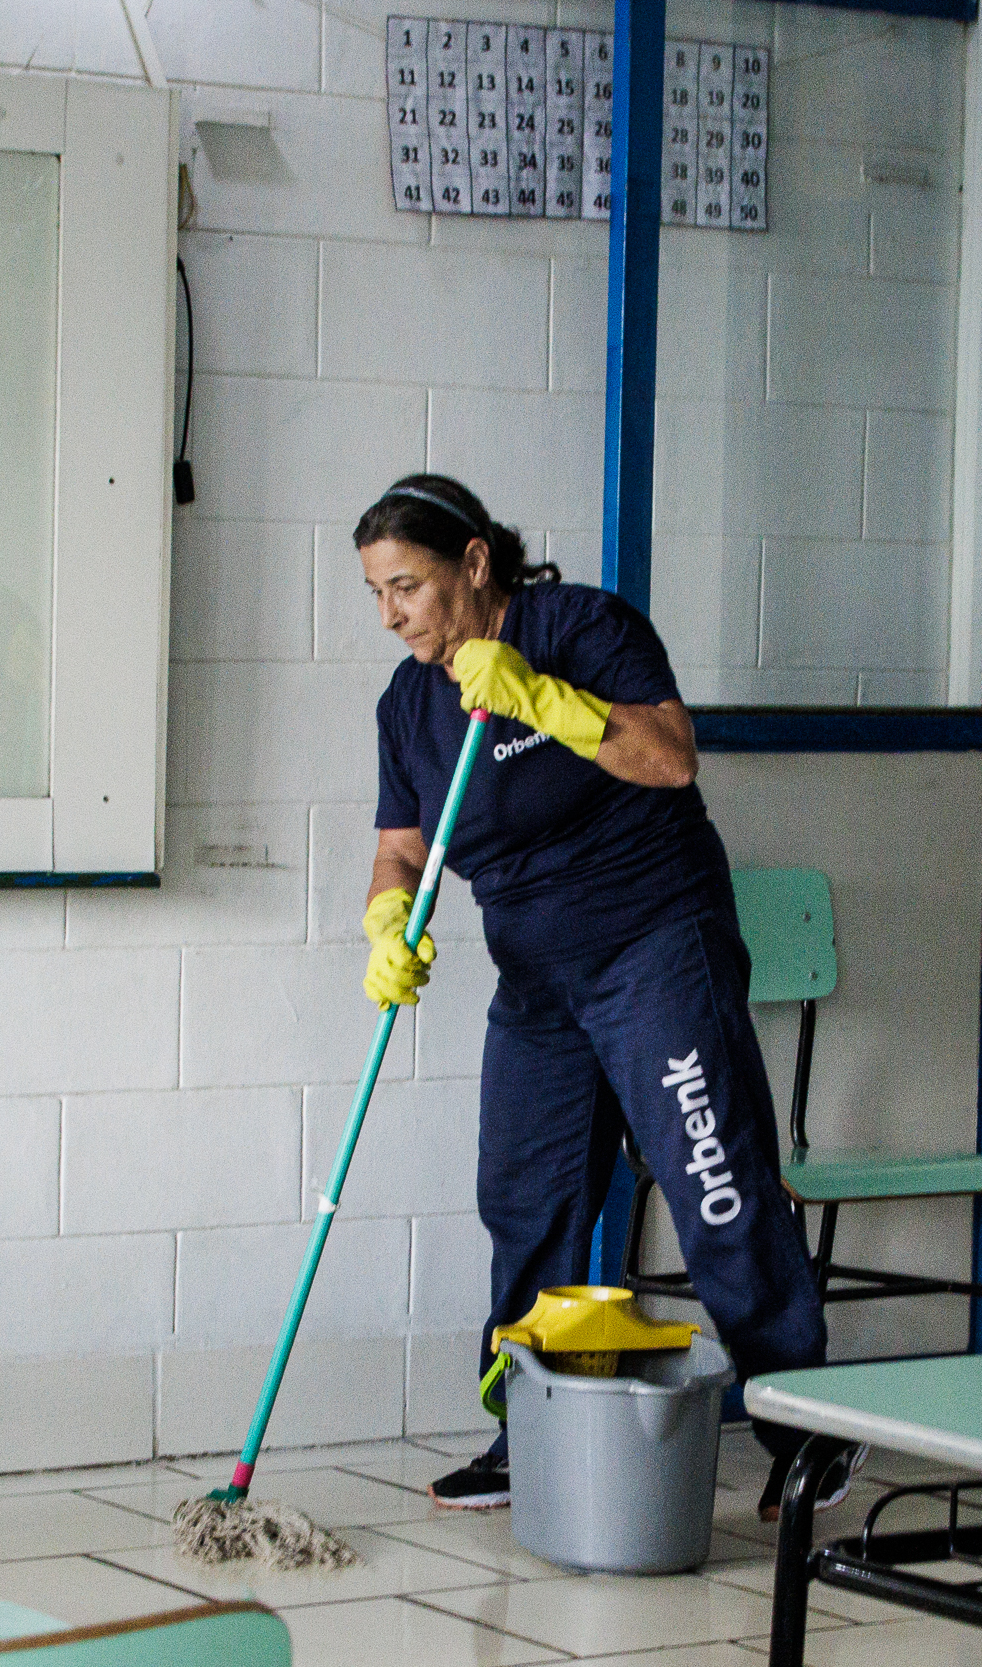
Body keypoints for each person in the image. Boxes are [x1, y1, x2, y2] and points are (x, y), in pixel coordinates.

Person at [354, 474, 828, 1513]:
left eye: (408, 587)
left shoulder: (583, 625)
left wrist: (536, 697)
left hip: (654, 942)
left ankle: (804, 1424)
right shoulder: (408, 704)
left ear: (474, 565)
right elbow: (401, 846)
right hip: (536, 976)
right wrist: (387, 920)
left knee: (712, 1176)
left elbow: (667, 758)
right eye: (376, 594)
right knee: (526, 1198)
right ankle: (528, 1427)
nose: (390, 616)